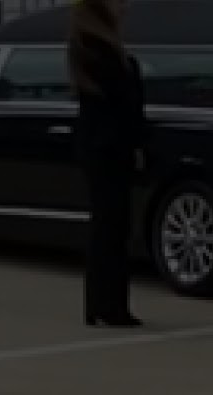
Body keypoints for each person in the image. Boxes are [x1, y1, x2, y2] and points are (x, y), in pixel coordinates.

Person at [68, 0, 147, 328]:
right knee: (112, 227)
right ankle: (110, 306)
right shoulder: (100, 48)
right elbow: (123, 99)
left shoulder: (87, 45)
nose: (124, 8)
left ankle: (100, 304)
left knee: (107, 226)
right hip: (109, 146)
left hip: (101, 145)